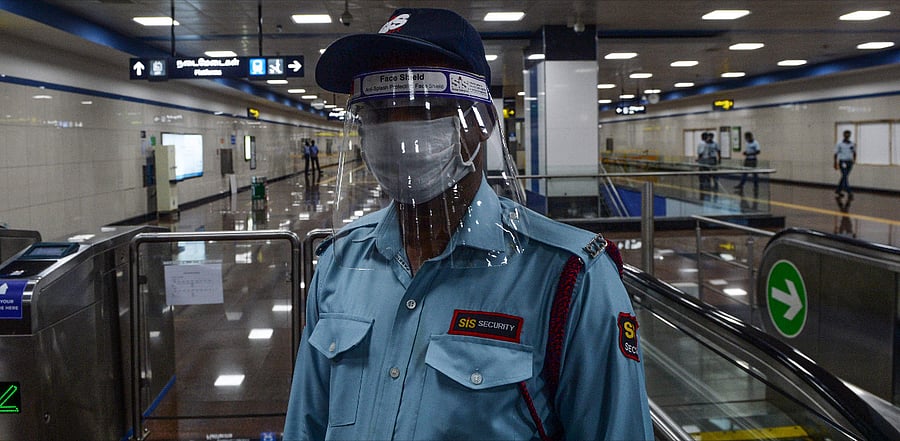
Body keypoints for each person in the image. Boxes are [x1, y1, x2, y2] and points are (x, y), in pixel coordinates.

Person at [284, 8, 652, 441]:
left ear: (482, 124)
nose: (393, 128)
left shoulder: (569, 278)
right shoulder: (340, 264)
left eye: (418, 107)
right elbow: (306, 424)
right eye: (377, 111)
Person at [834, 130, 856, 198]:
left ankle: (838, 190)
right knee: (844, 176)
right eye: (846, 134)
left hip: (849, 162)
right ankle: (848, 191)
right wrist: (835, 162)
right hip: (842, 162)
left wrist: (854, 160)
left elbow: (854, 152)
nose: (847, 136)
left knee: (844, 176)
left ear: (850, 135)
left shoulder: (852, 144)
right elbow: (835, 153)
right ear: (843, 135)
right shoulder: (839, 144)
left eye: (848, 135)